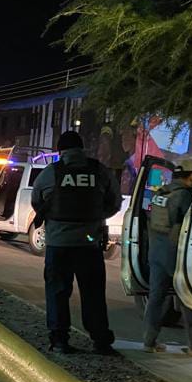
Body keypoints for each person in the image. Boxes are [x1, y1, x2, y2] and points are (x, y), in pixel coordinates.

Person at [31, 130, 122, 355]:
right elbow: (114, 203)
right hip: (89, 244)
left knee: (57, 293)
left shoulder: (50, 172)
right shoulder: (100, 171)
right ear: (82, 149)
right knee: (93, 294)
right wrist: (94, 218)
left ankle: (59, 340)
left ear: (60, 151)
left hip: (58, 244)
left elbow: (37, 201)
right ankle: (100, 340)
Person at [142, 159, 192, 356]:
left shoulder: (160, 194)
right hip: (176, 254)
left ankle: (149, 341)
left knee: (156, 298)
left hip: (156, 253)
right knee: (187, 297)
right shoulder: (184, 196)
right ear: (191, 176)